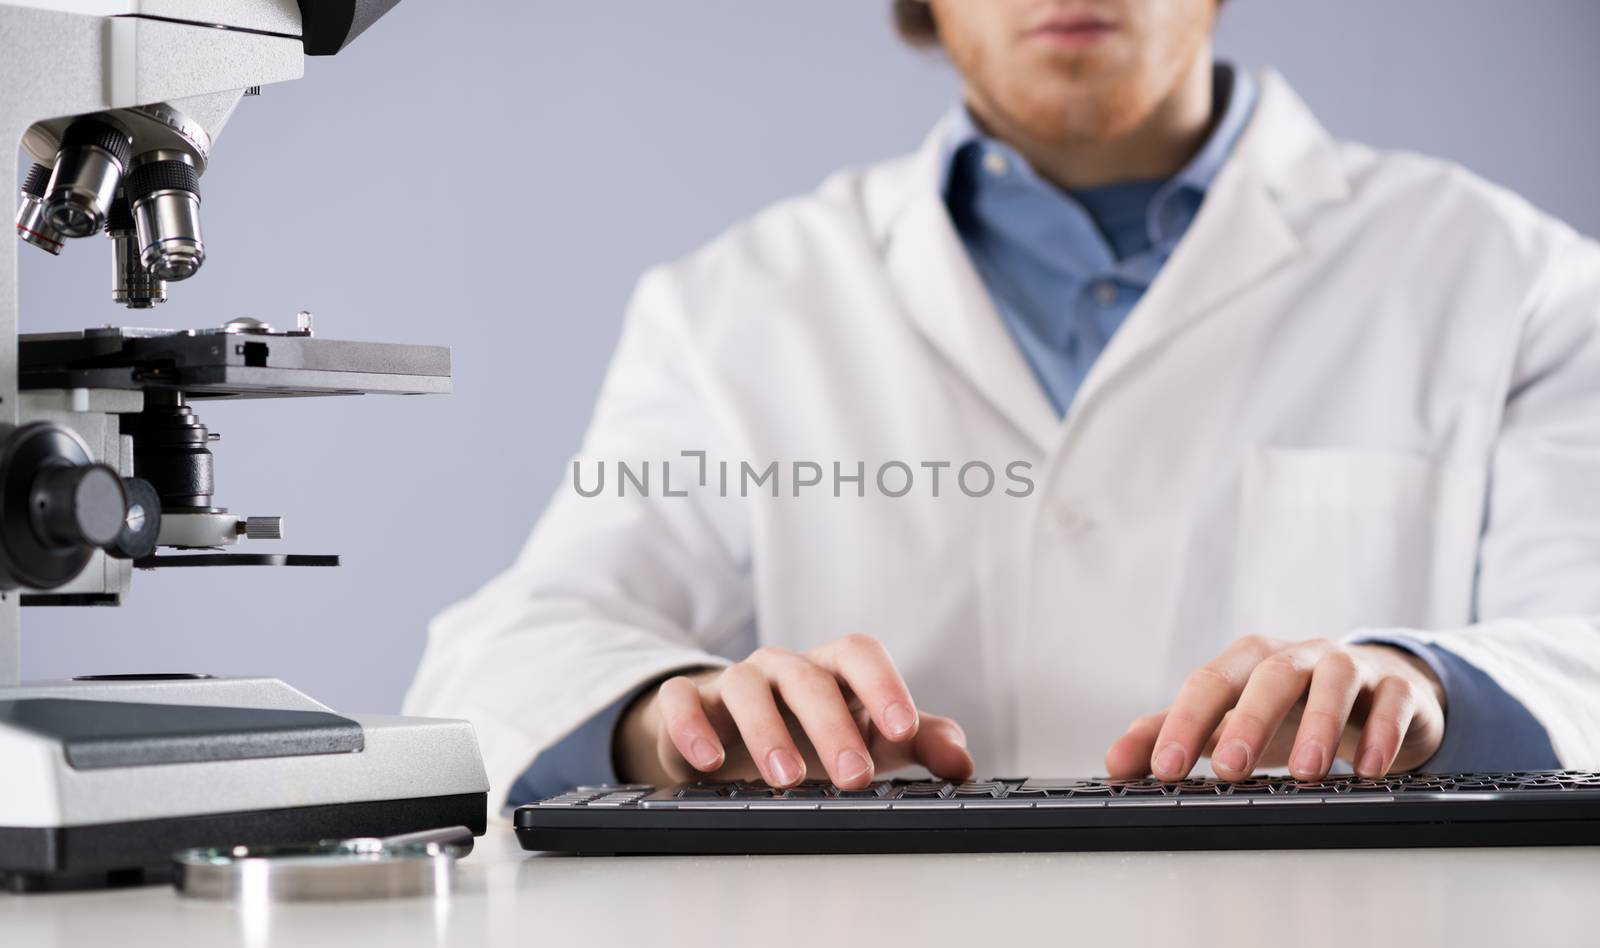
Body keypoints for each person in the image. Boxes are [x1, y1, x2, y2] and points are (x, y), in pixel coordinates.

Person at [405, 0, 1600, 806]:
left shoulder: (1511, 277)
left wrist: (1427, 683)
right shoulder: (734, 307)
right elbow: (503, 659)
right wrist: (670, 719)